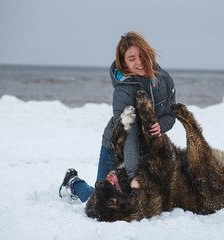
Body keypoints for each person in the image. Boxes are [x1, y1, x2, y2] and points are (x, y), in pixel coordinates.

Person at [59, 31, 176, 203]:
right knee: (102, 201)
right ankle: (72, 183)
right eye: (132, 58)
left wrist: (161, 125)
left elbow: (170, 113)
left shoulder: (164, 80)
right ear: (124, 63)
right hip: (116, 147)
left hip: (146, 148)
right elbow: (128, 134)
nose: (139, 62)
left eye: (141, 55)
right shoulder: (123, 91)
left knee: (138, 200)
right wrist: (132, 175)